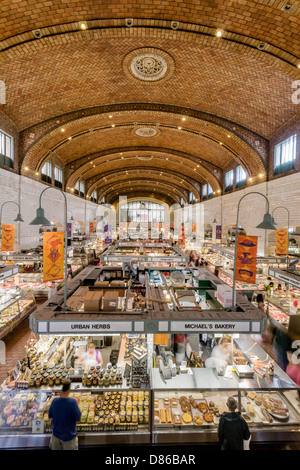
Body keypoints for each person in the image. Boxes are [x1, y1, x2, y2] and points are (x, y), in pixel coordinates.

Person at [48, 380, 81, 450]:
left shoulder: (54, 401)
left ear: (61, 389)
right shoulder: (72, 403)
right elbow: (78, 417)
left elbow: (50, 415)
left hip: (56, 437)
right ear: (69, 389)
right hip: (69, 437)